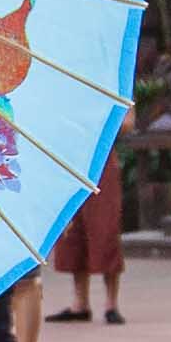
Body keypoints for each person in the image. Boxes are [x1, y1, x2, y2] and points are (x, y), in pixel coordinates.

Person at [48, 130, 127, 323]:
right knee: (73, 229)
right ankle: (80, 302)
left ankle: (111, 304)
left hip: (101, 153)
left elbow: (127, 122)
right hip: (70, 155)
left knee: (105, 226)